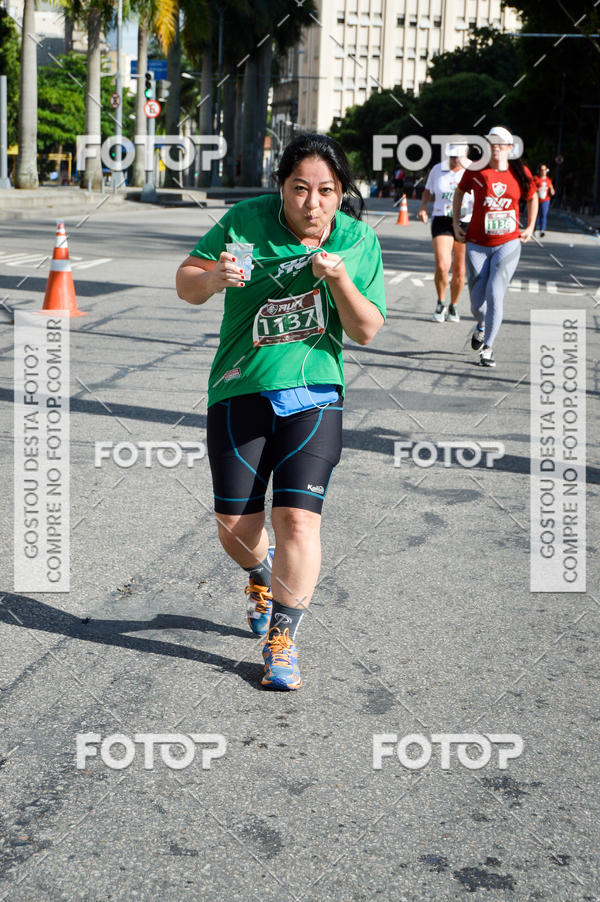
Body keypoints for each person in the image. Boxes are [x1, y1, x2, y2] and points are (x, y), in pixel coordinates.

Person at [176, 133, 386, 690]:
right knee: (235, 529)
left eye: (325, 191)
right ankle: (259, 577)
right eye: (300, 189)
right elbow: (186, 285)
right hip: (239, 389)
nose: (312, 203)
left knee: (297, 519)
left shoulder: (357, 241)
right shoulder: (245, 223)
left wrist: (338, 278)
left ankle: (282, 638)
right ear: (281, 188)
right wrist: (214, 277)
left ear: (341, 193)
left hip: (314, 396)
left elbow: (366, 329)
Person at [453, 126, 538, 368]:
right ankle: (481, 324)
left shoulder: (520, 173)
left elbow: (532, 198)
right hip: (477, 244)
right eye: (492, 143)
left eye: (500, 143)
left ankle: (488, 347)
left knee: (495, 293)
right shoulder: (477, 169)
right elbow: (459, 193)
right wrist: (455, 222)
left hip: (508, 243)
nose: (495, 147)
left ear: (510, 148)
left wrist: (530, 226)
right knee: (477, 304)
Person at [417, 141, 473, 323]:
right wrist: (423, 207)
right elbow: (427, 191)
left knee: (459, 269)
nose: (454, 159)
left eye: (457, 156)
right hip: (442, 219)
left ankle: (453, 306)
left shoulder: (473, 169)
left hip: (465, 221)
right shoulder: (437, 169)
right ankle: (441, 302)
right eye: (451, 156)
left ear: (465, 153)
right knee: (442, 265)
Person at [534, 164, 555, 237]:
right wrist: (537, 190)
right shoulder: (536, 179)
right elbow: (532, 189)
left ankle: (542, 230)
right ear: (539, 171)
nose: (543, 172)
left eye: (544, 170)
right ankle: (535, 229)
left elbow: (551, 187)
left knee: (544, 214)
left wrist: (552, 190)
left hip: (546, 200)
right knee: (537, 215)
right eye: (542, 170)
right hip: (537, 200)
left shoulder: (548, 180)